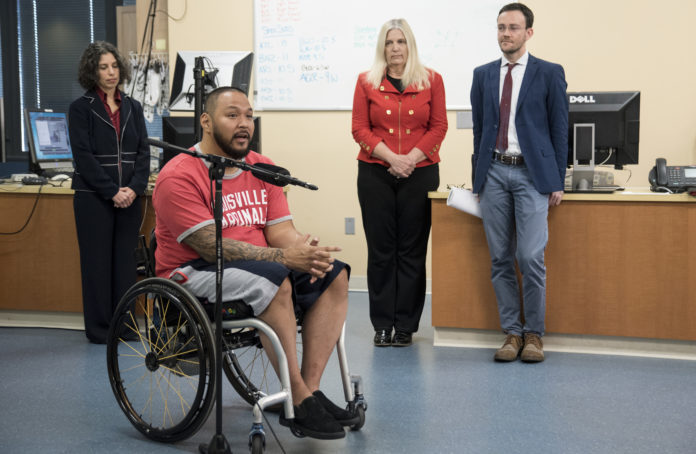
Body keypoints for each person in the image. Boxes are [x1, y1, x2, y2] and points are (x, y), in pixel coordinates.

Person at [153, 86, 356, 440]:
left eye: (248, 115)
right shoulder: (179, 175)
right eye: (232, 115)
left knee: (333, 275)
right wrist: (284, 257)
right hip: (193, 272)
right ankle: (298, 396)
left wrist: (304, 249)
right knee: (275, 280)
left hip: (259, 265)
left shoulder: (263, 168)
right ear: (205, 121)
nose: (244, 123)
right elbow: (208, 247)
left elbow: (282, 233)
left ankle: (307, 393)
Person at [470, 3, 568, 363]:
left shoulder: (549, 73)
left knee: (529, 256)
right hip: (494, 173)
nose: (505, 34)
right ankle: (511, 333)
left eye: (512, 27)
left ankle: (534, 335)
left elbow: (560, 129)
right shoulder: (482, 75)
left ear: (528, 33)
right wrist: (477, 177)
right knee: (499, 258)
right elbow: (481, 130)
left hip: (532, 175)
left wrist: (557, 178)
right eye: (500, 27)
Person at [351, 18, 448, 347]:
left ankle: (406, 325)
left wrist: (411, 159)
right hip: (376, 172)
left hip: (420, 173)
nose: (396, 48)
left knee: (411, 251)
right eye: (390, 42)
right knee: (381, 251)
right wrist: (392, 158)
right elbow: (359, 129)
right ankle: (382, 324)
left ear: (411, 46)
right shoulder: (366, 82)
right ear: (383, 47)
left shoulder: (432, 80)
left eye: (401, 42)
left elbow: (439, 127)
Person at [69, 41, 150, 344]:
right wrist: (112, 191)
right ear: (92, 71)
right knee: (97, 265)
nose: (111, 72)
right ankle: (101, 330)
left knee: (125, 266)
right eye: (103, 67)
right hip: (93, 197)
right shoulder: (80, 109)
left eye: (114, 65)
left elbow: (143, 152)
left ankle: (125, 327)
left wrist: (134, 188)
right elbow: (83, 157)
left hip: (130, 196)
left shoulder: (133, 106)